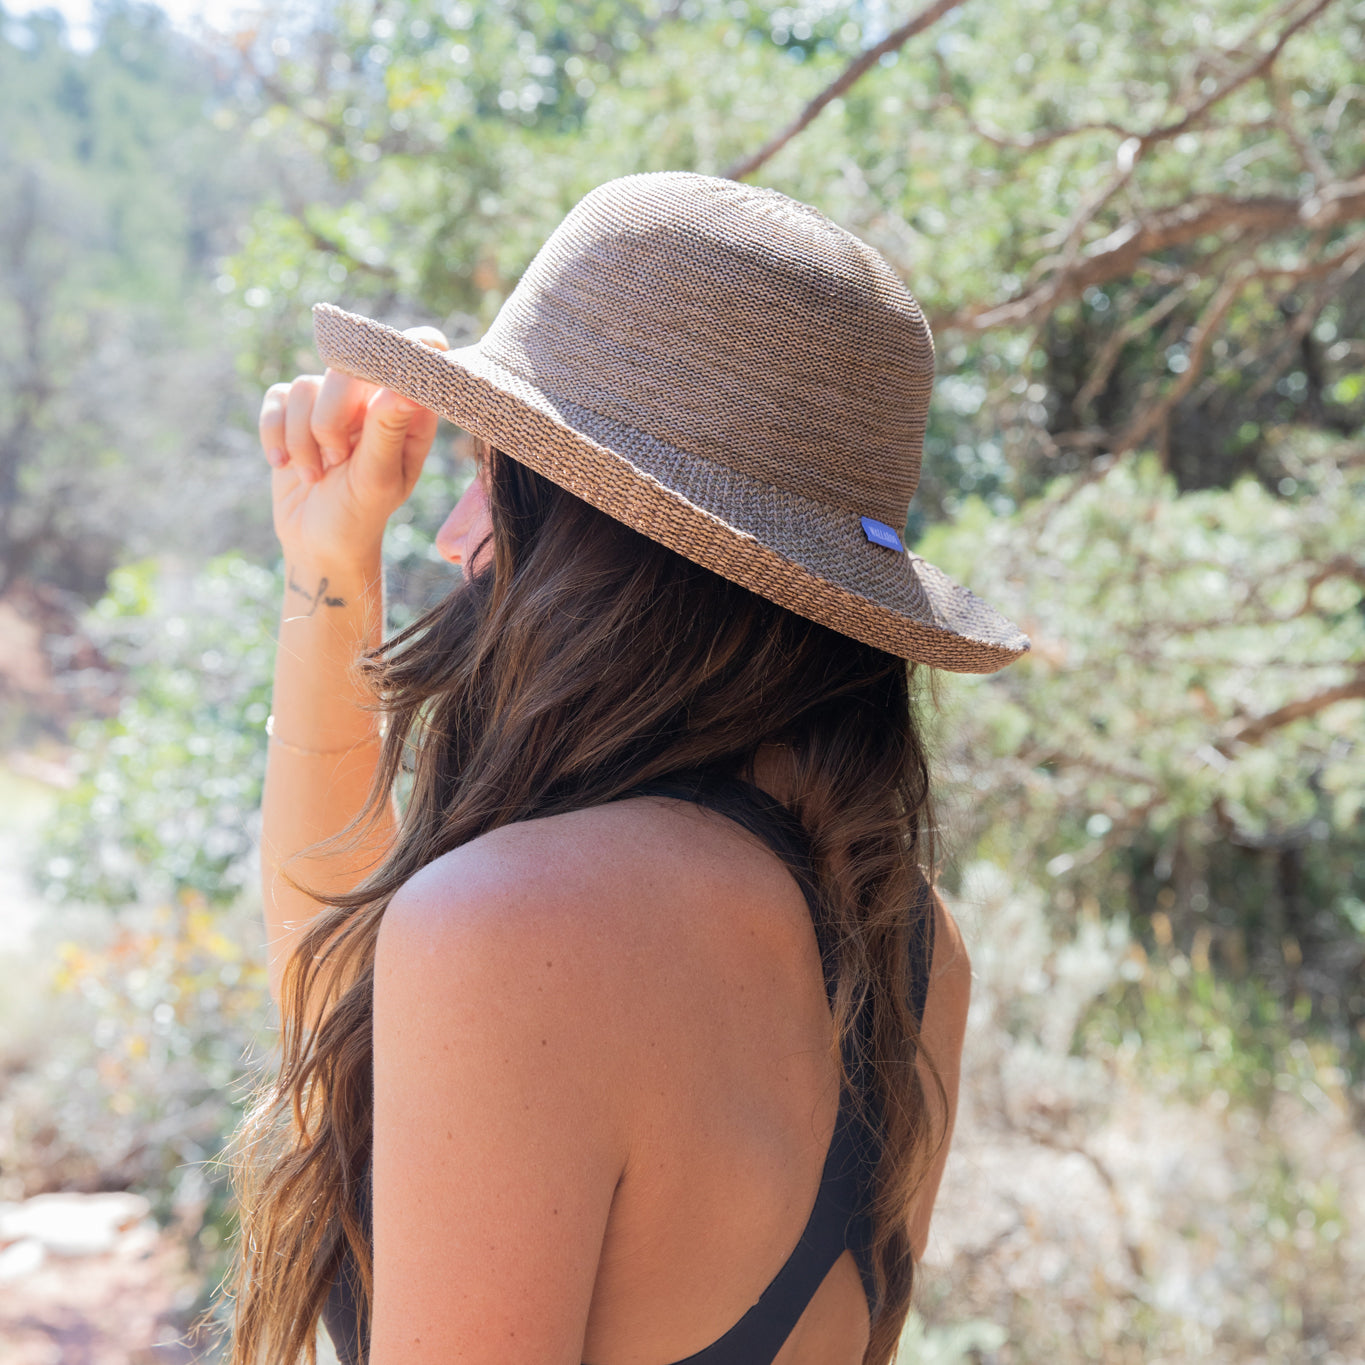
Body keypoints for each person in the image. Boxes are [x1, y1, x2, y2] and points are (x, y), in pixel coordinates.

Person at [227, 172, 1029, 1365]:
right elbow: (342, 971)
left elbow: (357, 977)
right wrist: (332, 562)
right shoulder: (908, 942)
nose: (452, 536)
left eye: (493, 475)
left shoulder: (519, 924)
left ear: (600, 537)